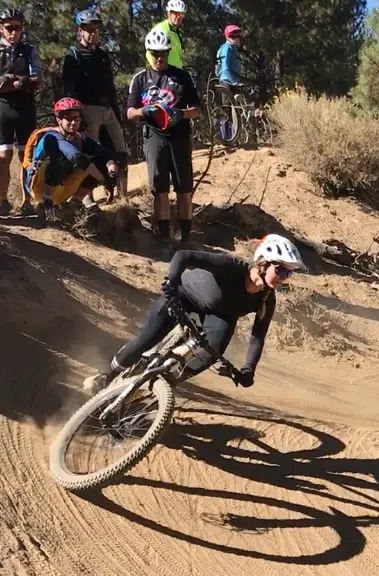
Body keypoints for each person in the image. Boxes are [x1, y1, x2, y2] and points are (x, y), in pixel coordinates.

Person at [82, 234, 305, 395]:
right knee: (146, 339)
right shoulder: (231, 266)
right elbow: (184, 255)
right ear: (263, 263)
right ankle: (107, 376)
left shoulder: (266, 299)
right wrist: (171, 283)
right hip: (184, 295)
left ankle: (162, 387)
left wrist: (248, 370)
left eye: (288, 274)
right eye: (281, 270)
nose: (284, 277)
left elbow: (257, 337)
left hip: (220, 315)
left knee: (213, 351)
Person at [128, 28, 200, 254]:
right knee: (160, 188)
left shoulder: (182, 76)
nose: (159, 58)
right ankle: (164, 236)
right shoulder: (140, 78)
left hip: (179, 136)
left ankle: (185, 236)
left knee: (184, 188)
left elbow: (197, 110)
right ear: (148, 53)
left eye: (163, 53)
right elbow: (129, 112)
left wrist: (181, 114)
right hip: (154, 136)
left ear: (169, 53)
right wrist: (144, 111)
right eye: (155, 53)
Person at [61, 7, 127, 203]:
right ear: (79, 31)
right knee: (90, 154)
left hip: (108, 109)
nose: (93, 33)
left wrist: (115, 109)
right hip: (87, 110)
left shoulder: (103, 54)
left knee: (120, 152)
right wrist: (77, 116)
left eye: (96, 29)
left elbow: (110, 84)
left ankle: (123, 198)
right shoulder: (73, 55)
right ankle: (87, 198)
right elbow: (69, 88)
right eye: (88, 29)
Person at [0, 8, 41, 217]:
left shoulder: (30, 50)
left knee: (26, 154)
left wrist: (7, 82)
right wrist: (17, 82)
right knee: (3, 155)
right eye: (9, 28)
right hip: (3, 106)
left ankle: (27, 200)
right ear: (1, 29)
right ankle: (3, 200)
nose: (14, 32)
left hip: (25, 106)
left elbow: (37, 81)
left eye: (17, 27)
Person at [22, 97, 119, 220]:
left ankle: (74, 204)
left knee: (99, 161)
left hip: (61, 187)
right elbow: (75, 156)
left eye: (77, 119)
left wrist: (111, 166)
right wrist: (103, 180)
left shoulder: (78, 138)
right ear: (58, 120)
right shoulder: (51, 137)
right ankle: (46, 204)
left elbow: (102, 152)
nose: (73, 123)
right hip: (38, 186)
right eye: (69, 119)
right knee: (63, 158)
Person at [146, 0, 186, 70]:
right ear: (168, 13)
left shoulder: (177, 31)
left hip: (176, 72)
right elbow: (149, 53)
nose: (178, 16)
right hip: (165, 72)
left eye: (181, 14)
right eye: (176, 13)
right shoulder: (161, 30)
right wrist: (158, 70)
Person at [214, 24, 242, 105]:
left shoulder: (234, 49)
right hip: (227, 82)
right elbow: (225, 68)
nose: (236, 39)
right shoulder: (227, 48)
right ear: (227, 37)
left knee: (238, 107)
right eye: (232, 37)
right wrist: (234, 82)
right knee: (227, 107)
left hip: (234, 81)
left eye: (237, 36)